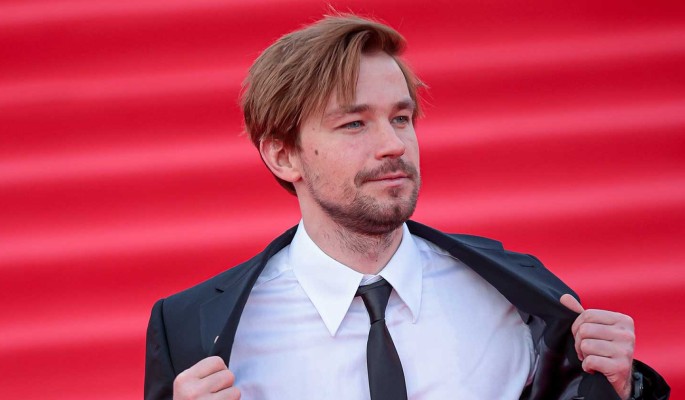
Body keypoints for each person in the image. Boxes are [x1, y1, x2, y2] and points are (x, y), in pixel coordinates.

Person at [144, 14, 670, 400]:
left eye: (401, 118)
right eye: (354, 123)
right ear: (284, 156)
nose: (394, 144)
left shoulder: (516, 292)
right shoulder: (192, 328)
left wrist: (624, 388)